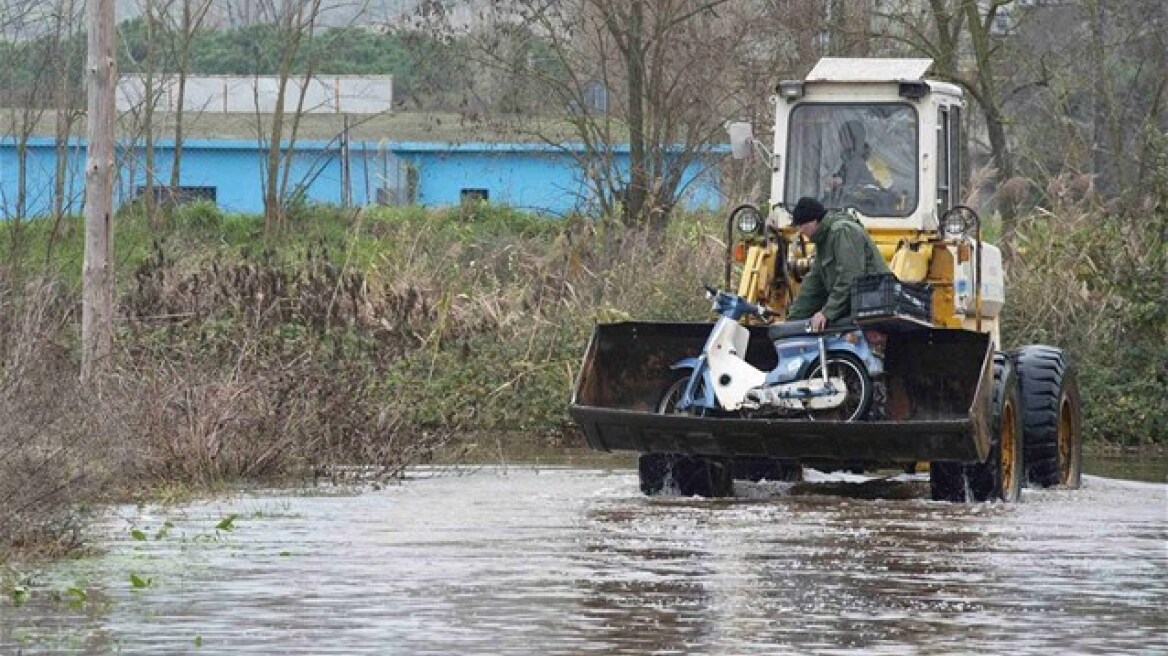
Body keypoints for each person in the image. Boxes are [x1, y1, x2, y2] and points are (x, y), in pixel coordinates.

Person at [786, 196, 890, 331]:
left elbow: (850, 276)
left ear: (814, 221)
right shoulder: (823, 241)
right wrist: (791, 322)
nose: (800, 231)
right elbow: (814, 284)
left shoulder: (842, 231)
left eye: (801, 225)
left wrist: (827, 312)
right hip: (857, 306)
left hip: (874, 305)